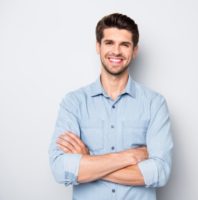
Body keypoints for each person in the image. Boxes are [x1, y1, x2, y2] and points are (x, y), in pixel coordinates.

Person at [48, 13, 173, 200]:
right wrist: (130, 157)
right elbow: (60, 168)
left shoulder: (154, 103)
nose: (116, 51)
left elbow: (160, 172)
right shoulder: (74, 102)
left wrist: (88, 162)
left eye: (124, 44)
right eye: (109, 43)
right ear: (98, 46)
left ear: (135, 50)